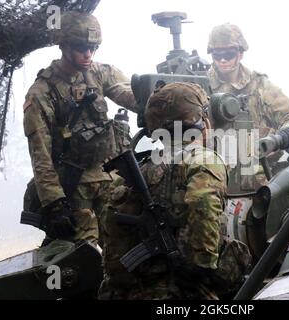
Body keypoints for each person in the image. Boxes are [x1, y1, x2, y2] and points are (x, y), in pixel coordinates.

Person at [98, 82, 251, 299]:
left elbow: (108, 237)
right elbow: (204, 212)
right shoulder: (203, 160)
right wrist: (202, 273)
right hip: (178, 293)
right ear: (204, 121)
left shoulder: (133, 172)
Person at [22, 11, 137, 246]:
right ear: (64, 46)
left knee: (121, 251)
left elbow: (131, 96)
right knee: (83, 259)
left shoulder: (99, 72)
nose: (88, 54)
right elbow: (40, 154)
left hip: (109, 179)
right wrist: (55, 203)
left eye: (93, 48)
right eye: (81, 48)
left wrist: (161, 99)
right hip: (74, 188)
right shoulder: (42, 93)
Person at [207, 23, 289, 138]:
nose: (222, 60)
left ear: (240, 54)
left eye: (228, 54)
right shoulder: (201, 87)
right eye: (217, 55)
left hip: (258, 154)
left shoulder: (259, 85)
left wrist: (277, 140)